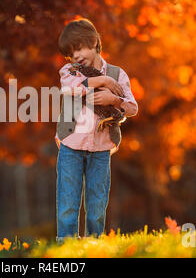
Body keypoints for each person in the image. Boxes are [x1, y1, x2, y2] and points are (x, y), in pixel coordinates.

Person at [55, 18, 138, 243]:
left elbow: (132, 108)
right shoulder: (69, 71)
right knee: (68, 205)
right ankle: (66, 248)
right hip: (71, 146)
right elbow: (70, 88)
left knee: (97, 205)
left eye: (79, 48)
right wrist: (101, 81)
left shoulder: (118, 74)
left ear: (94, 42)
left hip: (101, 150)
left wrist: (113, 98)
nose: (76, 56)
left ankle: (94, 245)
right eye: (71, 53)